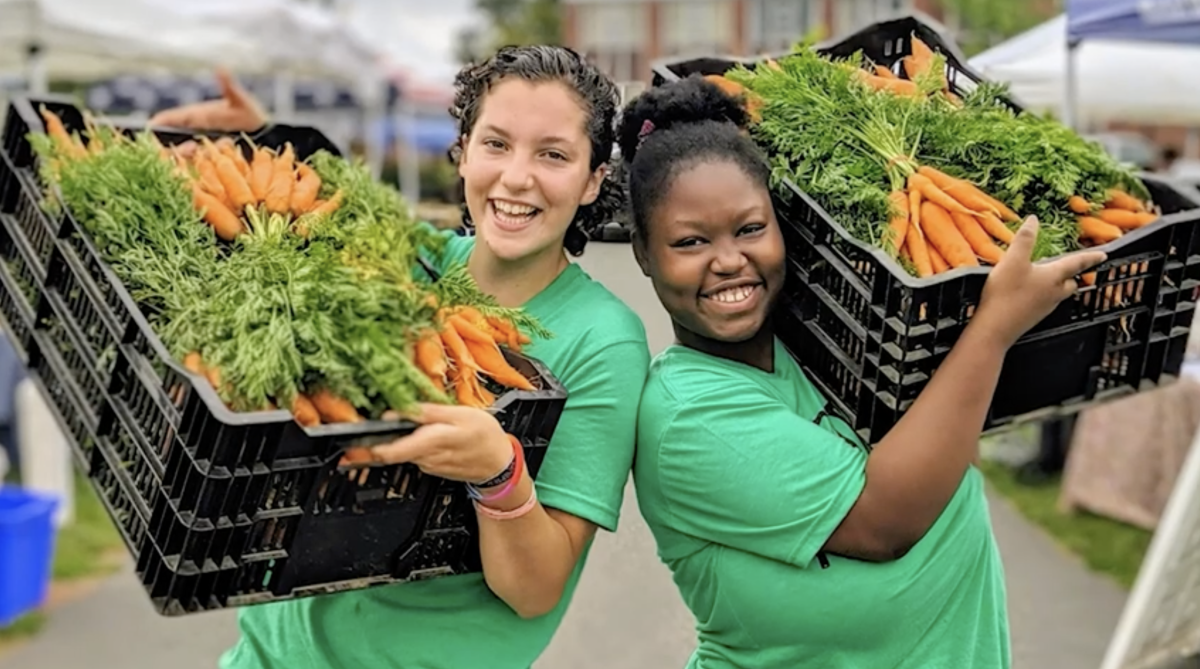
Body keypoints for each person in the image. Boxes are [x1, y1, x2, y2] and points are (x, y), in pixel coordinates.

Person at [151, 47, 650, 668]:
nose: (517, 177)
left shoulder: (601, 339)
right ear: (463, 151)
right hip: (268, 655)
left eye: (552, 154)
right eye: (496, 144)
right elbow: (304, 219)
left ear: (593, 178)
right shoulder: (408, 256)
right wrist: (263, 143)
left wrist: (500, 477)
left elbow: (535, 592)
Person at [618, 75, 1107, 669]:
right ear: (643, 253)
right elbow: (883, 524)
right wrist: (993, 329)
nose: (729, 261)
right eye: (691, 242)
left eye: (750, 229)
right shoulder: (688, 414)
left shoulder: (825, 338)